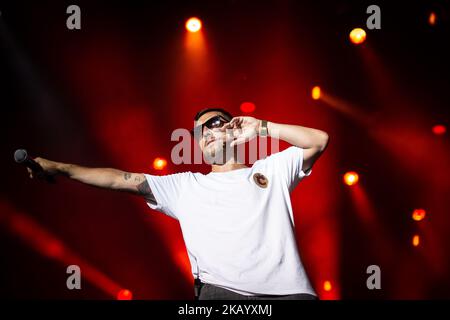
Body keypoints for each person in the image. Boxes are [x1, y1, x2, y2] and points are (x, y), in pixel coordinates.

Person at [27, 107, 329, 300]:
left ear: (233, 129)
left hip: (293, 295)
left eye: (214, 124)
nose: (206, 133)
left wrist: (262, 127)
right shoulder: (186, 185)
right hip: (223, 297)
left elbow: (318, 140)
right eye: (199, 131)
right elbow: (120, 179)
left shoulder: (269, 171)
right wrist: (62, 168)